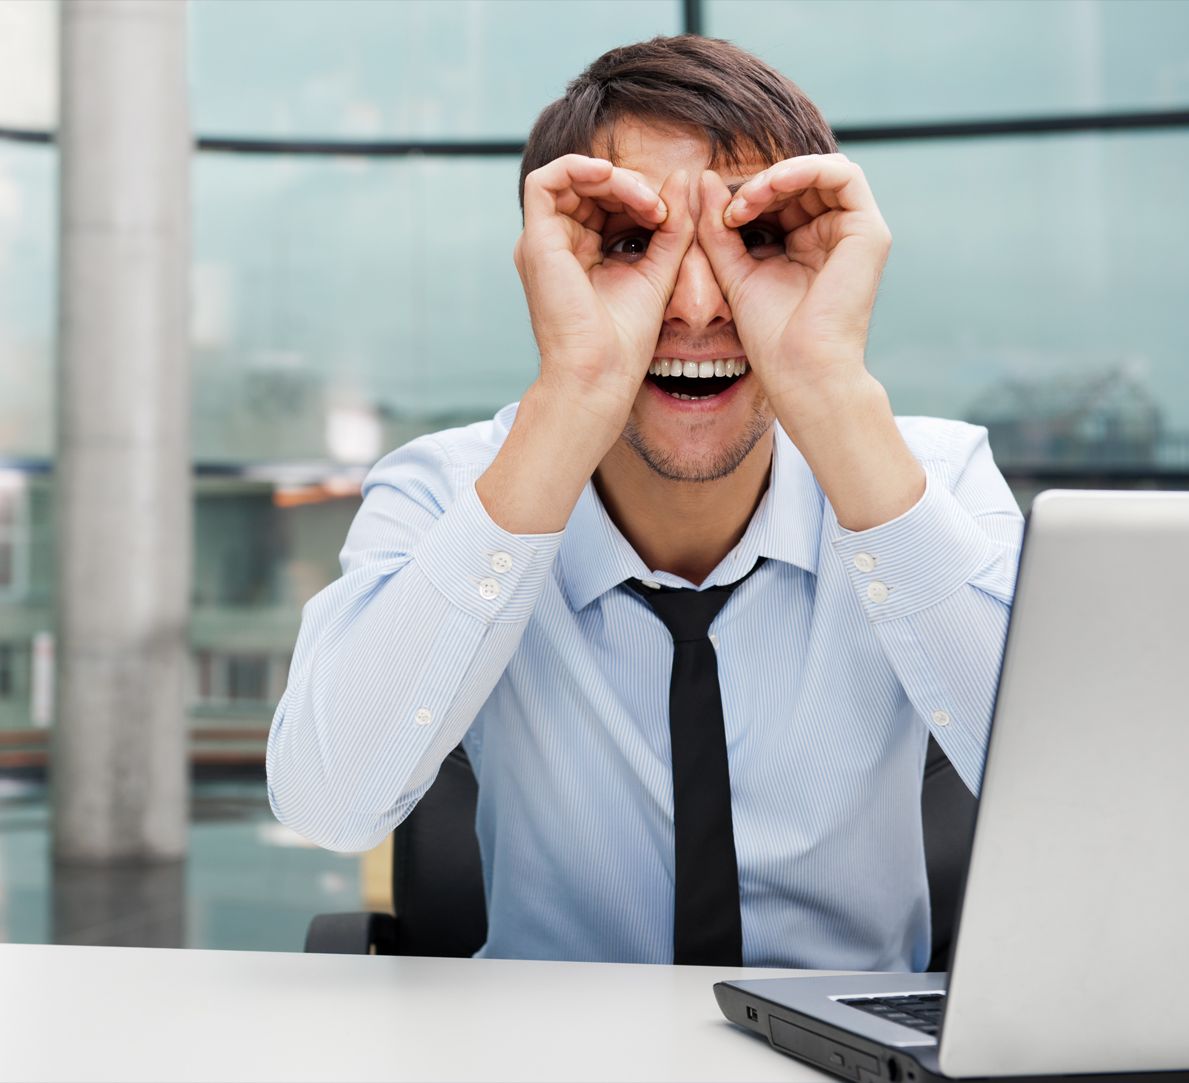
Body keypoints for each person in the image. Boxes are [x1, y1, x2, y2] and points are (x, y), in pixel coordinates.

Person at [267, 35, 1023, 971]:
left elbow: (1085, 800)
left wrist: (828, 390)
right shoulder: (447, 493)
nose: (699, 303)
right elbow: (327, 801)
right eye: (630, 244)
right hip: (543, 1052)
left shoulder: (930, 482)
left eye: (755, 240)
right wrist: (575, 391)